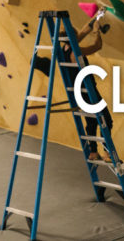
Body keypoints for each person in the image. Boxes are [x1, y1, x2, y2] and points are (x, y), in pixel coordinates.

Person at [34, 10, 113, 162]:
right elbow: (98, 45)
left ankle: (93, 152)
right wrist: (97, 30)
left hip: (77, 93)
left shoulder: (63, 49)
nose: (79, 35)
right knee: (106, 120)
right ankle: (107, 153)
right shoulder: (76, 53)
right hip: (88, 91)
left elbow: (83, 31)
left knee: (90, 121)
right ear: (72, 37)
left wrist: (97, 16)